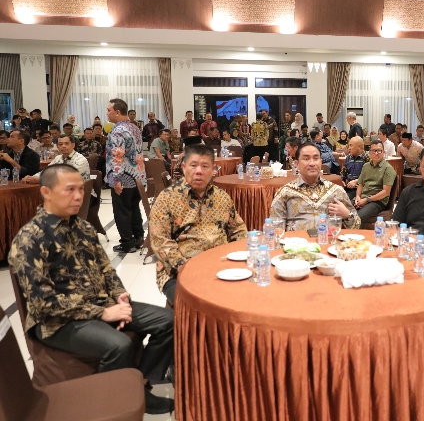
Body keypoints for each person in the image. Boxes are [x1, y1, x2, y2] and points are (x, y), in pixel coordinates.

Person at [9, 164, 175, 414]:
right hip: (58, 322)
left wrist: (120, 297)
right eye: (70, 190)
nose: (79, 196)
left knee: (168, 321)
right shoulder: (29, 239)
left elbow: (107, 270)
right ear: (46, 192)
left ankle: (141, 384)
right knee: (118, 345)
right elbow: (44, 304)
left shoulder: (83, 228)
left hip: (100, 304)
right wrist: (102, 313)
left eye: (81, 189)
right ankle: (112, 403)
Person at [150, 145, 248, 306]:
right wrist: (186, 268)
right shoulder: (166, 198)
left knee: (248, 296)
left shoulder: (222, 197)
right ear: (184, 167)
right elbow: (160, 241)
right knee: (206, 303)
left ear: (213, 170)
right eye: (193, 165)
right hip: (178, 271)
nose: (199, 171)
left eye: (205, 166)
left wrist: (241, 257)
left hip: (221, 266)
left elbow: (238, 230)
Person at [270, 142, 360, 231]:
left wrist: (347, 215)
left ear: (321, 162)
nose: (312, 163)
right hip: (297, 240)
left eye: (316, 158)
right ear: (297, 164)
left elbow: (356, 226)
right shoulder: (285, 193)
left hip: (329, 239)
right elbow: (275, 230)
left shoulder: (337, 191)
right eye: (306, 159)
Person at [106, 98, 146, 254]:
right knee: (134, 207)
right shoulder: (134, 127)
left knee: (122, 211)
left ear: (117, 112)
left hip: (123, 177)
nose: (107, 113)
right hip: (138, 176)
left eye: (109, 110)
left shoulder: (117, 131)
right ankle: (138, 237)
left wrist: (116, 179)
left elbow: (117, 156)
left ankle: (127, 243)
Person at [22, 134, 90, 188]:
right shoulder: (58, 158)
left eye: (66, 143)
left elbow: (68, 179)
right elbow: (46, 172)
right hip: (62, 191)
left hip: (81, 193)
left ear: (73, 145)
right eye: (60, 144)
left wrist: (41, 179)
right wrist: (32, 177)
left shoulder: (80, 160)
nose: (63, 146)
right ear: (57, 146)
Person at [355, 140, 396, 225]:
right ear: (369, 153)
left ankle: (357, 233)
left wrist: (367, 200)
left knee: (358, 217)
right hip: (363, 198)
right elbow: (360, 184)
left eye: (379, 151)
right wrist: (357, 197)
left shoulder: (388, 168)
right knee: (344, 212)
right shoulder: (366, 166)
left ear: (384, 152)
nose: (376, 153)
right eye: (373, 151)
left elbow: (386, 192)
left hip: (378, 202)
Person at [340, 136, 369, 201]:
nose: (349, 148)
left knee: (344, 201)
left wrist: (356, 181)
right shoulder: (348, 158)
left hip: (360, 189)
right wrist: (342, 181)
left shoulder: (367, 158)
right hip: (347, 187)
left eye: (351, 145)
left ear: (359, 146)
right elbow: (343, 173)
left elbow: (370, 176)